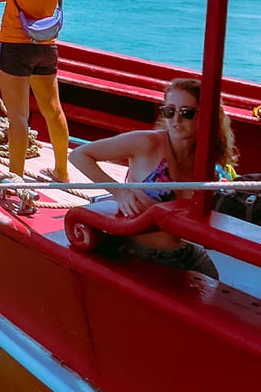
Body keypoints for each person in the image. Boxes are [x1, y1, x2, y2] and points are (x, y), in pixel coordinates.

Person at [68, 78, 238, 278]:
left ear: (206, 116)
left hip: (185, 252)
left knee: (216, 290)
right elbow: (79, 155)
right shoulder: (147, 143)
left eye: (186, 113)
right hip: (139, 250)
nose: (176, 120)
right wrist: (119, 191)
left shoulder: (206, 158)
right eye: (169, 111)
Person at [0, 0, 70, 182]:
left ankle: (15, 176)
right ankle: (62, 171)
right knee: (53, 109)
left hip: (16, 46)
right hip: (46, 46)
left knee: (18, 116)